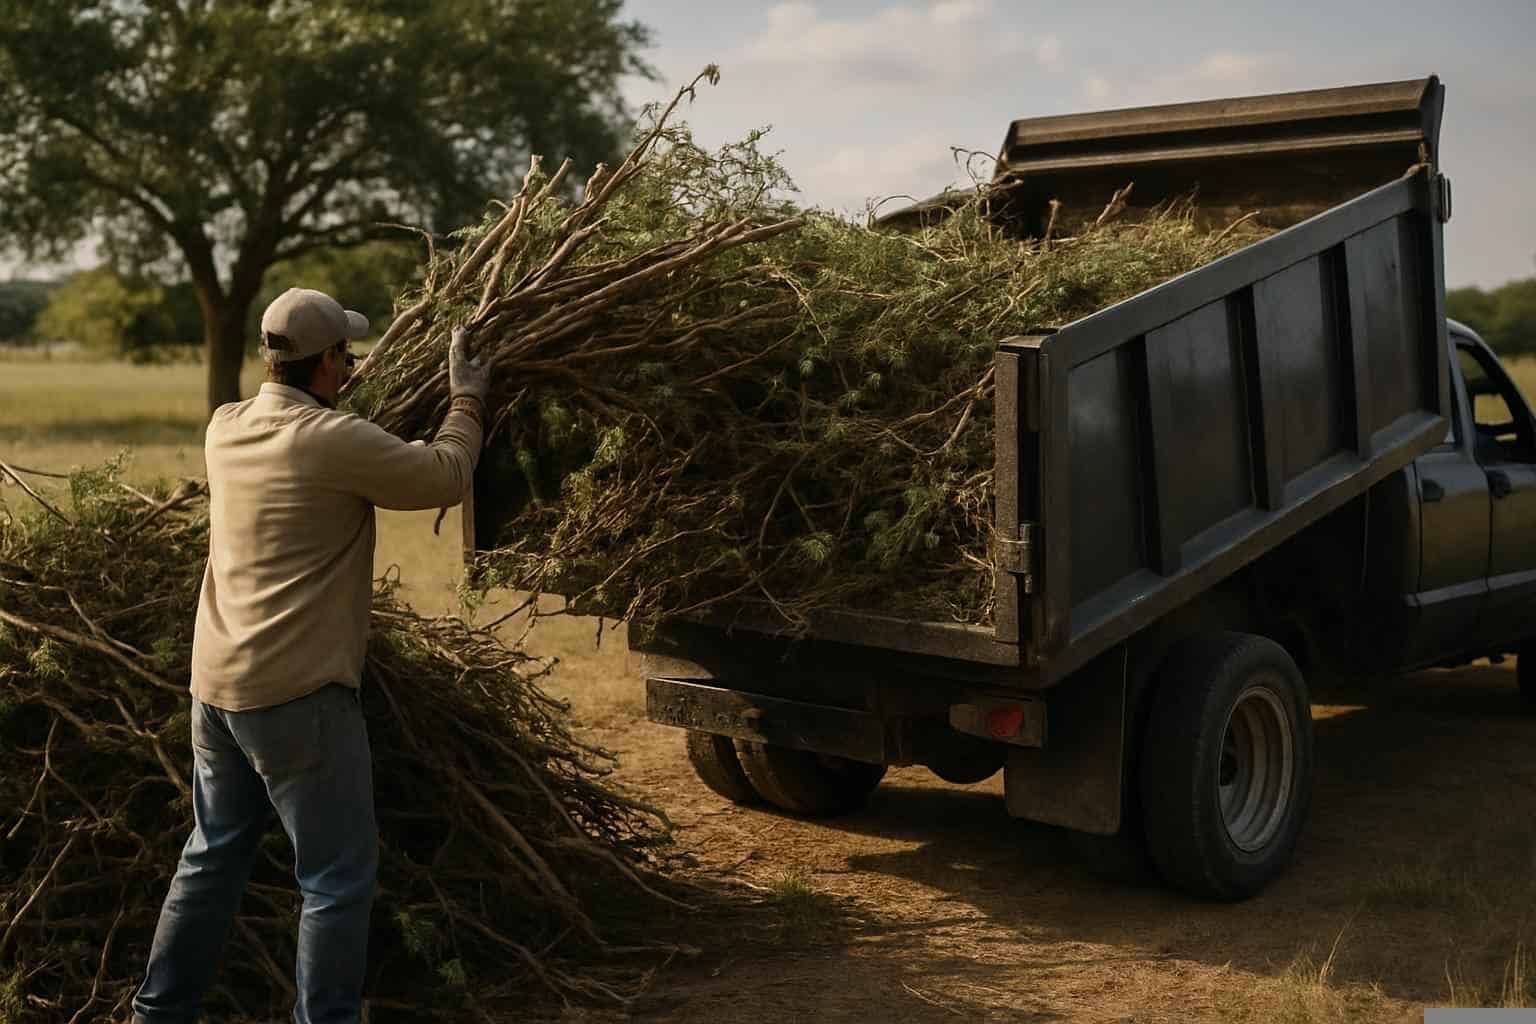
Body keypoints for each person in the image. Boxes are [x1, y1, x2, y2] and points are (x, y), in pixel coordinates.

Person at [131, 287, 491, 1024]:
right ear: (327, 362)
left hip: (216, 690)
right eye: (345, 354)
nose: (351, 365)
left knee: (211, 856)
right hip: (298, 698)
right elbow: (446, 473)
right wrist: (467, 400)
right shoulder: (332, 440)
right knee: (335, 879)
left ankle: (156, 1015)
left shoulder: (224, 428)